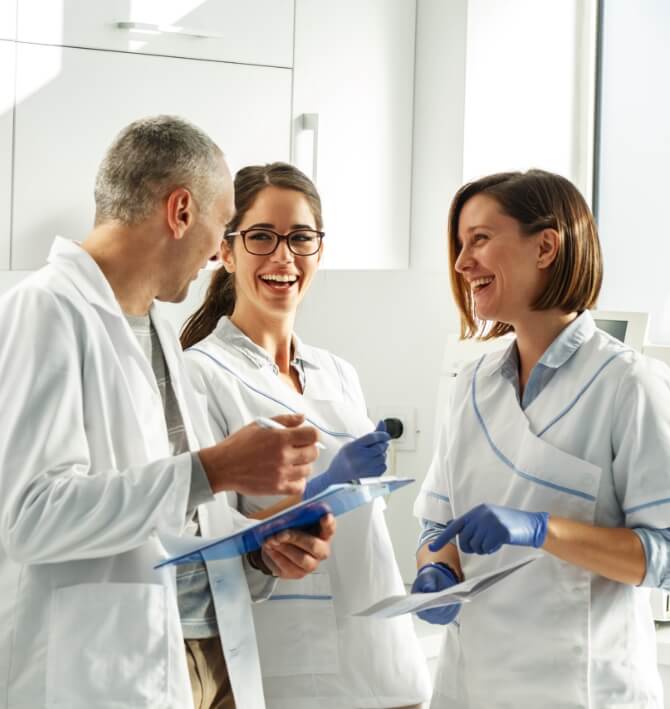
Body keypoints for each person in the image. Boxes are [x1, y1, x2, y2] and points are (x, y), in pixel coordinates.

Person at [0, 116, 337, 709]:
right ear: (181, 211)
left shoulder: (159, 324)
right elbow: (29, 517)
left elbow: (174, 517)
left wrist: (261, 549)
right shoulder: (45, 310)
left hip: (210, 654)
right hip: (108, 668)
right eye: (224, 223)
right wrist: (215, 469)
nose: (218, 250)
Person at [412, 169, 670, 708]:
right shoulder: (472, 386)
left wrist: (541, 530)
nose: (461, 263)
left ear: (546, 246)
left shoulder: (627, 385)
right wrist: (435, 566)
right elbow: (438, 521)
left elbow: (665, 553)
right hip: (471, 685)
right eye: (460, 245)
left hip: (584, 690)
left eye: (479, 239)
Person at [180, 162, 432, 709]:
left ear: (320, 250)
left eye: (300, 238)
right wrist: (323, 487)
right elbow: (210, 544)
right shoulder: (200, 375)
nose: (283, 256)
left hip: (383, 653)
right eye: (262, 237)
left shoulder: (338, 372)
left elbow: (366, 525)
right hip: (286, 664)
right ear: (226, 251)